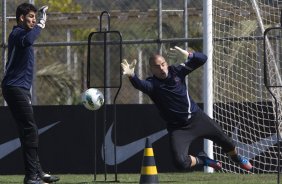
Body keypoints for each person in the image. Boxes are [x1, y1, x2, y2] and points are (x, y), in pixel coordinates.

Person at [121, 46, 253, 172]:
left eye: (163, 64)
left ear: (166, 63)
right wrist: (132, 75)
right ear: (152, 69)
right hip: (178, 128)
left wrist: (189, 55)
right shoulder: (152, 85)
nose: (161, 68)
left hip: (197, 118)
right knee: (180, 163)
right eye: (157, 66)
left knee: (228, 143)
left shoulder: (177, 71)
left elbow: (203, 59)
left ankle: (237, 159)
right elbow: (140, 85)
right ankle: (203, 160)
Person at [1, 3, 60, 184]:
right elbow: (28, 40)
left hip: (19, 89)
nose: (34, 21)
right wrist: (42, 24)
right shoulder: (17, 34)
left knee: (28, 131)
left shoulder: (23, 34)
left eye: (35, 17)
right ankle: (31, 176)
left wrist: (39, 22)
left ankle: (37, 172)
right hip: (14, 88)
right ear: (21, 18)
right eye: (31, 17)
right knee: (30, 130)